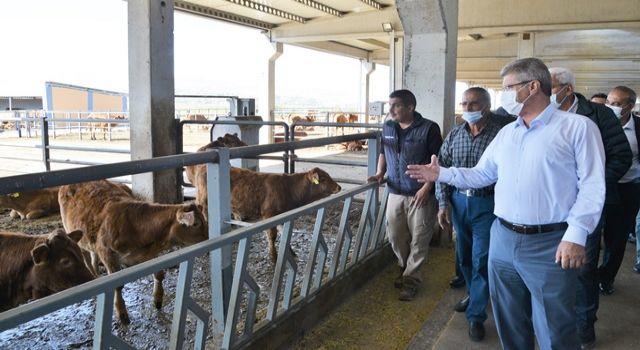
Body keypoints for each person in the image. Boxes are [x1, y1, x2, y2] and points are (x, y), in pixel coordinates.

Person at [406, 57, 605, 350]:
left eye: (509, 87)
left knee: (554, 326)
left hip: (550, 242)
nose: (504, 96)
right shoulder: (508, 133)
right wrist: (441, 174)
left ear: (533, 86)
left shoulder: (577, 128)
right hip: (503, 237)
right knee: (509, 318)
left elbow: (593, 185)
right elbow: (483, 174)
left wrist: (576, 234)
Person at [549, 67, 632, 348]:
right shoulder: (541, 116)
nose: (541, 95)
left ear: (567, 89)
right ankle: (555, 322)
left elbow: (621, 157)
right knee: (551, 266)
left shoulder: (598, 116)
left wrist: (588, 185)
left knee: (582, 268)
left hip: (585, 206)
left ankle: (584, 327)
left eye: (550, 87)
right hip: (550, 206)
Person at [435, 87, 514, 342]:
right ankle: (474, 293)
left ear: (487, 106)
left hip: (488, 204)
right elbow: (442, 168)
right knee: (464, 256)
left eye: (473, 103)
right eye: (464, 103)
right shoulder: (456, 132)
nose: (468, 108)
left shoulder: (503, 131)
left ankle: (476, 315)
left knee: (482, 258)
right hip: (459, 202)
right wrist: (443, 203)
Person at [368, 89, 442, 301]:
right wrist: (380, 173)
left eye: (396, 106)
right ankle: (403, 265)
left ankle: (411, 279)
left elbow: (437, 161)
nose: (390, 110)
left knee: (419, 238)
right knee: (395, 235)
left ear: (410, 107)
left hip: (420, 193)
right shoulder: (388, 126)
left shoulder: (429, 128)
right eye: (390, 105)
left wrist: (427, 187)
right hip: (395, 191)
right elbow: (384, 151)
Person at [598, 86, 640, 294]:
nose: (610, 107)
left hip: (627, 190)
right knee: (592, 234)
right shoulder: (599, 124)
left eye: (616, 104)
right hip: (600, 187)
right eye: (608, 103)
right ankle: (586, 276)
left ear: (630, 106)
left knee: (616, 238)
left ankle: (606, 277)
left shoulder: (638, 128)